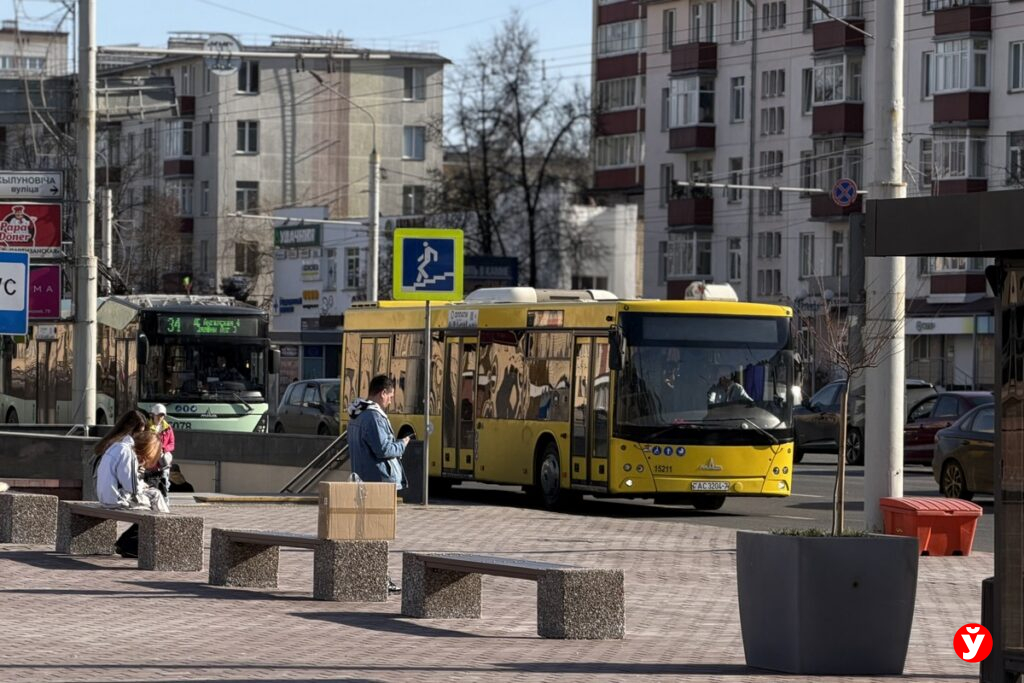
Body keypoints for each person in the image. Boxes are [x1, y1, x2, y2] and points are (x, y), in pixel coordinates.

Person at [346, 374, 410, 594]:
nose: (391, 401)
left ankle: (372, 575)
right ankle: (379, 577)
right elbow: (383, 449)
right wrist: (402, 443)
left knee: (368, 532)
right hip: (378, 483)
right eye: (390, 396)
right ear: (382, 393)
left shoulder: (357, 413)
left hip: (363, 480)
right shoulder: (373, 416)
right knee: (379, 532)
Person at [144, 404, 175, 500]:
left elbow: (172, 444)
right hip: (150, 462)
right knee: (149, 484)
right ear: (152, 415)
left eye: (162, 415)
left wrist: (164, 449)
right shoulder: (147, 427)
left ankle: (165, 502)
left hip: (163, 462)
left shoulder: (168, 428)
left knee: (164, 483)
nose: (160, 417)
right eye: (158, 415)